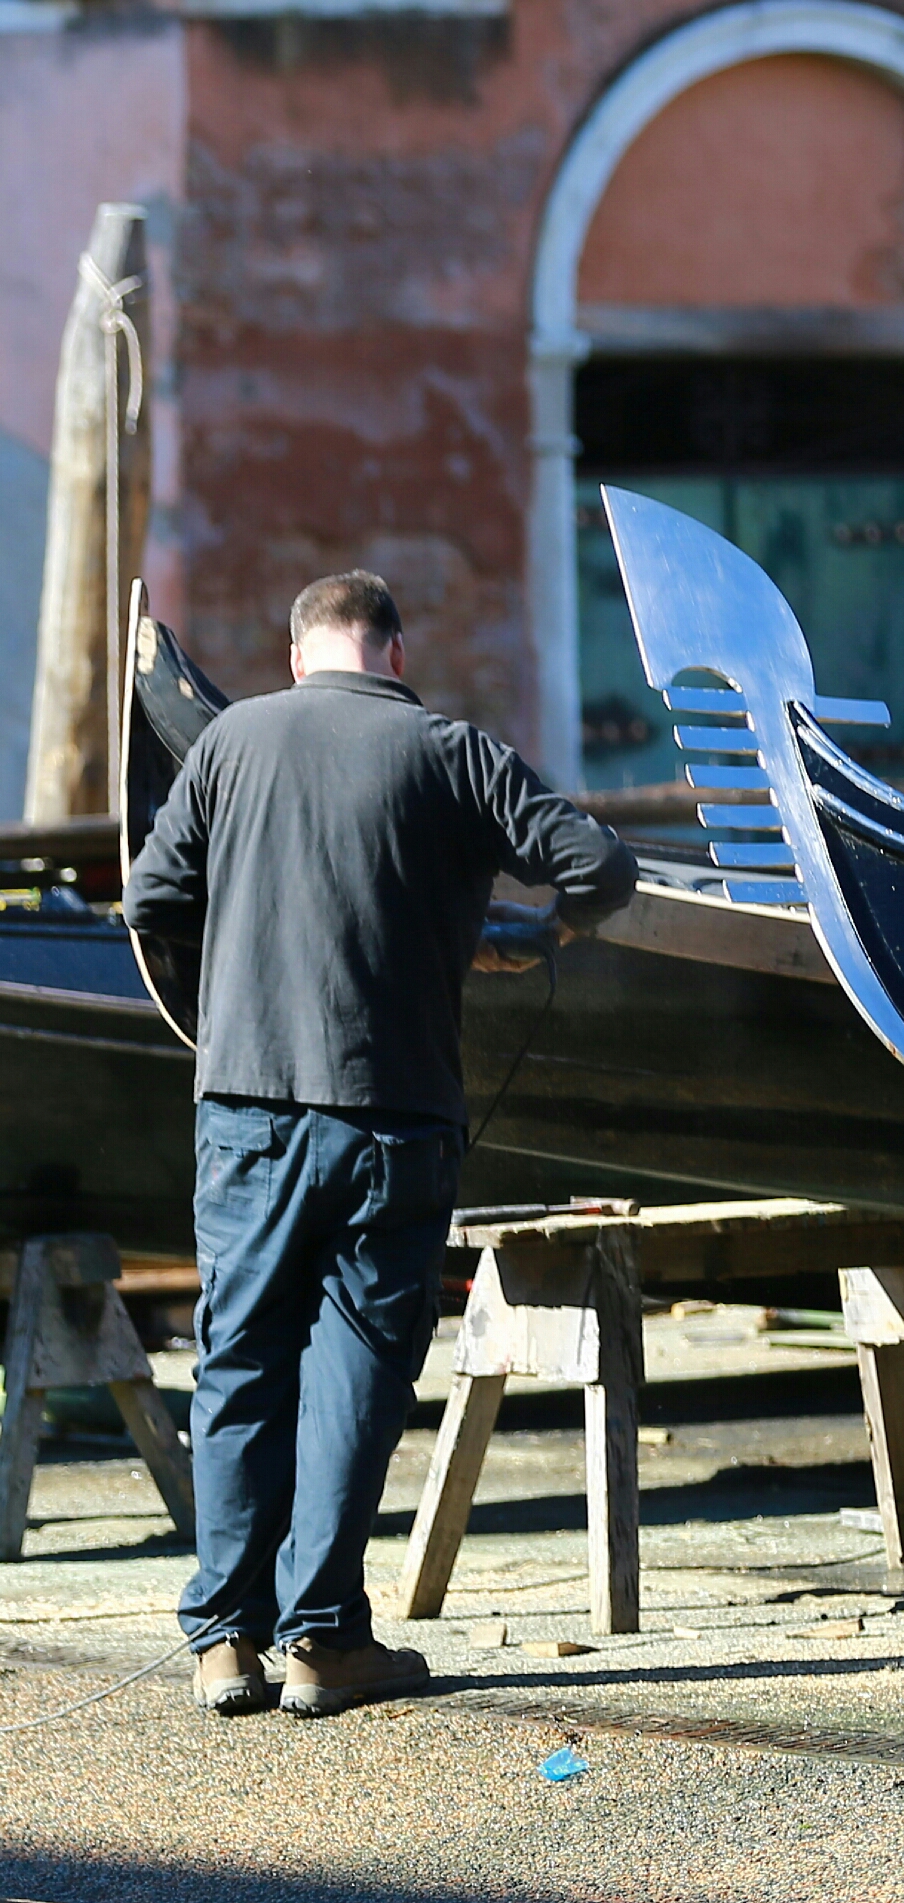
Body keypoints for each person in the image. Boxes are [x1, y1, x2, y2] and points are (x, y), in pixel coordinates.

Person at [125, 571, 637, 1718]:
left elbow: (151, 899)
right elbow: (601, 869)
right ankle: (324, 1641)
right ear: (392, 654)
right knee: (357, 1375)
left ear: (299, 653)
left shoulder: (232, 741)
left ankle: (223, 1641)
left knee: (239, 1362)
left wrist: (246, 969)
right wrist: (525, 934)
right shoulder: (453, 751)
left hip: (248, 1110)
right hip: (394, 1116)